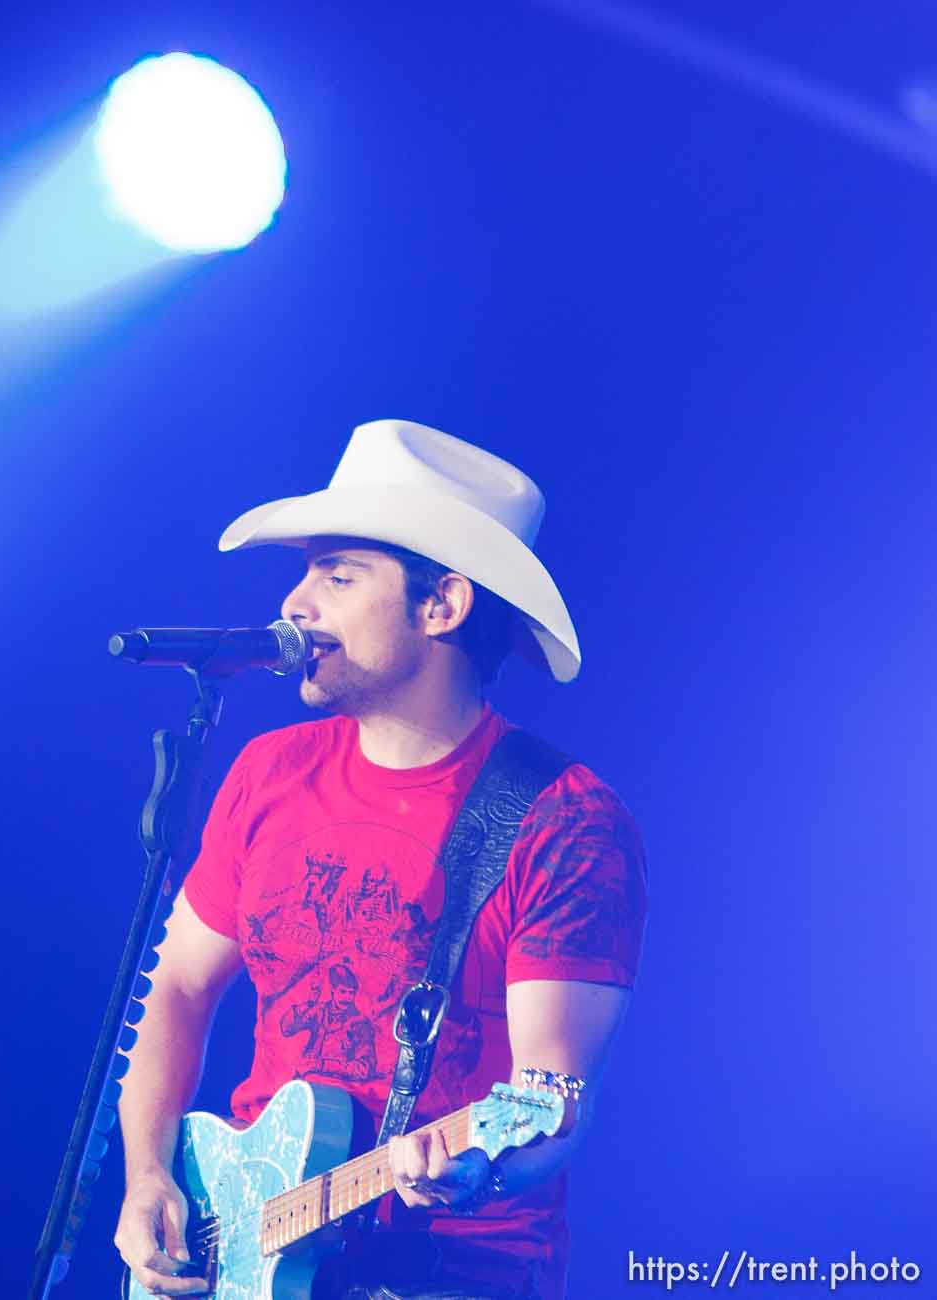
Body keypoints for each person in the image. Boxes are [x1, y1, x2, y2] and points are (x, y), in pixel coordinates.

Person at [113, 420, 647, 1300]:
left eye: (338, 574)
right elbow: (173, 986)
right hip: (239, 1247)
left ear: (443, 604)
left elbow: (550, 1099)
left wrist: (474, 1168)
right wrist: (148, 1175)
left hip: (447, 1275)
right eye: (306, 571)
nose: (296, 603)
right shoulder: (270, 771)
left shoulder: (565, 821)